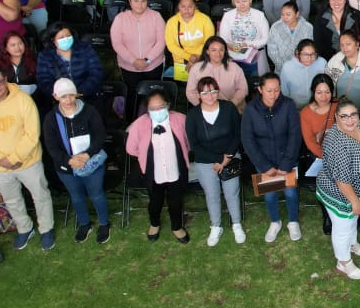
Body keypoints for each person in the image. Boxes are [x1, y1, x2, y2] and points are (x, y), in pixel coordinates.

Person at [0, 66, 55, 250]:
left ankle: (46, 228)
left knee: (40, 195)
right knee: (12, 199)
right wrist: (1, 159)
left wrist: (15, 157)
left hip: (28, 161)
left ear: (5, 79)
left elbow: (32, 133)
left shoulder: (23, 100)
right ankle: (24, 228)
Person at [317, 98, 360, 280]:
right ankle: (343, 262)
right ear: (337, 118)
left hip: (358, 187)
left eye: (353, 114)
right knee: (342, 227)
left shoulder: (359, 125)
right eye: (344, 116)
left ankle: (352, 244)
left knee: (353, 221)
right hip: (340, 192)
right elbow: (342, 181)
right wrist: (354, 201)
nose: (350, 120)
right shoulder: (337, 143)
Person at [42, 78, 111, 244]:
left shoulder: (89, 111)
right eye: (64, 96)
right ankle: (84, 223)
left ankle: (104, 223)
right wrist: (69, 160)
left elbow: (100, 135)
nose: (68, 100)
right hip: (67, 166)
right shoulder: (51, 118)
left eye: (71, 95)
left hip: (91, 162)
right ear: (56, 96)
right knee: (76, 197)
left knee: (96, 194)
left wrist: (87, 155)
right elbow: (51, 146)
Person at [240, 73, 304, 243]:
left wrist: (286, 164)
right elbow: (248, 139)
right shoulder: (251, 109)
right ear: (260, 89)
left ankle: (293, 221)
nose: (274, 94)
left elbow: (295, 135)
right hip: (264, 161)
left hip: (287, 160)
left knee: (291, 193)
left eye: (277, 90)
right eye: (269, 90)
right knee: (269, 195)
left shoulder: (288, 105)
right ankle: (275, 221)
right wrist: (264, 165)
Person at [125, 86, 192, 243]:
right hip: (153, 172)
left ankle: (177, 227)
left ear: (168, 105)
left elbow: (189, 142)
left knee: (175, 201)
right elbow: (131, 149)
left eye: (161, 107)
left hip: (175, 169)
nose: (157, 111)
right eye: (152, 108)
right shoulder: (139, 125)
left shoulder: (181, 119)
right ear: (147, 109)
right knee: (155, 201)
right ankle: (154, 223)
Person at [186, 75, 245, 247]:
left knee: (232, 192)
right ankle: (216, 226)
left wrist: (227, 157)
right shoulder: (193, 115)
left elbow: (237, 133)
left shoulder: (228, 108)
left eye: (213, 91)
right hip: (206, 161)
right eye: (205, 92)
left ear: (218, 91)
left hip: (230, 157)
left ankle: (236, 224)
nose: (210, 96)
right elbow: (194, 144)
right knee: (212, 195)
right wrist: (218, 160)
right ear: (198, 95)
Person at [36, 22, 104, 99]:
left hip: (87, 95)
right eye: (61, 38)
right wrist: (60, 94)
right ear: (53, 40)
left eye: (68, 36)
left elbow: (96, 71)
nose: (66, 39)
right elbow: (43, 80)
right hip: (59, 99)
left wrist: (81, 91)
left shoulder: (84, 48)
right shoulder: (45, 55)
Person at [218, 0, 270, 76]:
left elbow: (266, 38)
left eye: (244, 1)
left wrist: (248, 44)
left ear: (250, 0)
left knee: (254, 83)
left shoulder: (259, 15)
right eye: (238, 2)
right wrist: (235, 47)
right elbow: (223, 38)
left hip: (254, 57)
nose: (241, 4)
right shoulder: (227, 16)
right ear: (234, 2)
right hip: (233, 57)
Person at [165, 0, 213, 70]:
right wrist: (189, 57)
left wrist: (197, 57)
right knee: (183, 81)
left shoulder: (205, 20)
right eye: (183, 6)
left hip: (202, 59)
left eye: (190, 6)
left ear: (195, 6)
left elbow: (209, 42)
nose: (187, 10)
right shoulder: (171, 22)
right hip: (181, 62)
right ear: (178, 7)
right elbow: (170, 45)